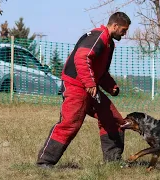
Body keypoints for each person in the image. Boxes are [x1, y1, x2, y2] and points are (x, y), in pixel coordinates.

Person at [36, 12, 131, 168]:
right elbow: (82, 58)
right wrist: (89, 83)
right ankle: (45, 162)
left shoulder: (109, 43)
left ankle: (113, 161)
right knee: (70, 123)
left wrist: (111, 86)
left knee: (113, 119)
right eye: (124, 30)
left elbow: (99, 70)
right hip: (76, 85)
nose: (125, 34)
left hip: (89, 87)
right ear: (115, 26)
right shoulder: (98, 37)